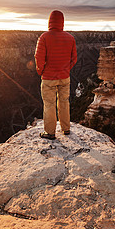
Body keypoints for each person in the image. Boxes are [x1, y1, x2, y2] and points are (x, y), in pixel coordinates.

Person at [34, 10, 77, 140]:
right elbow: (74, 59)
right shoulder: (70, 38)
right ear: (62, 22)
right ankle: (66, 129)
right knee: (64, 102)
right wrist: (65, 69)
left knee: (49, 104)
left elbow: (39, 58)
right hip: (65, 77)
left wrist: (41, 71)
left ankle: (50, 132)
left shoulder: (44, 37)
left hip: (48, 78)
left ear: (50, 21)